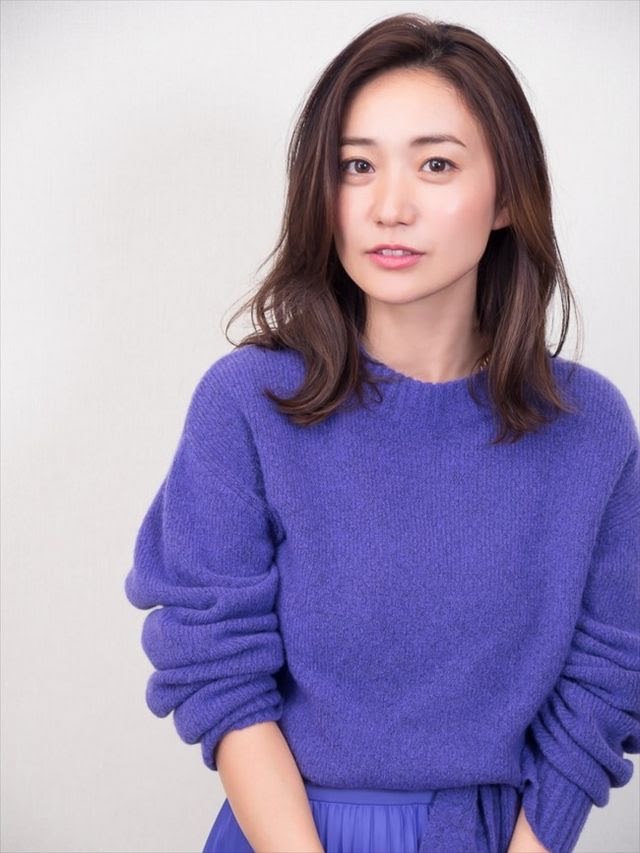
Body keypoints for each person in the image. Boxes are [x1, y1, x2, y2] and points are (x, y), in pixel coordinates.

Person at [124, 13, 640, 853]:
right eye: (356, 166)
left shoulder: (589, 430)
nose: (389, 207)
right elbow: (216, 663)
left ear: (507, 196)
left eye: (436, 164)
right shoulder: (249, 403)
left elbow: (609, 678)